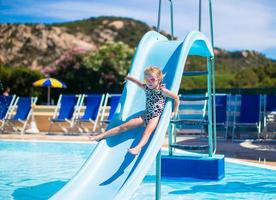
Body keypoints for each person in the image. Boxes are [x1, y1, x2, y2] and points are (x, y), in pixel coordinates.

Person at [89, 66, 179, 155]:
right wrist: (128, 77)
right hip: (145, 115)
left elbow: (176, 98)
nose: (149, 82)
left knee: (147, 133)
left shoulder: (162, 90)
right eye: (147, 80)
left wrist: (174, 110)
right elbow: (137, 83)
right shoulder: (146, 87)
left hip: (155, 117)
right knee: (123, 126)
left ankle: (137, 148)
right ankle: (100, 136)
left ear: (159, 79)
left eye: (152, 79)